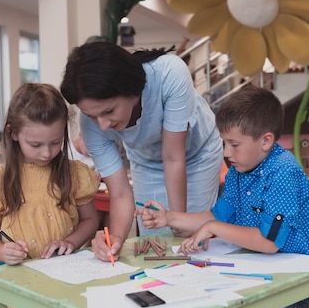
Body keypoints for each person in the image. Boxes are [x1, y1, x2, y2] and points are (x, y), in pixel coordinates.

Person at [136, 85, 309, 308]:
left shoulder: (283, 172)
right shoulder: (239, 170)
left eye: (234, 144)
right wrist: (169, 217)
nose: (226, 153)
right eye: (224, 143)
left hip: (291, 290)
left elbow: (269, 243)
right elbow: (217, 216)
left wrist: (212, 228)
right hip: (256, 274)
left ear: (266, 141)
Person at [60, 41, 223, 260]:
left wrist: (178, 220)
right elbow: (118, 192)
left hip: (197, 154)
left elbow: (173, 158)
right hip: (146, 161)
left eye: (109, 111)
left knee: (190, 238)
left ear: (132, 91)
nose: (102, 125)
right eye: (91, 115)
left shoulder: (169, 74)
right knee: (154, 243)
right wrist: (115, 239)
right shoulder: (91, 126)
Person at [0, 83, 100, 308]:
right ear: (13, 133)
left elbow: (90, 220)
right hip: (28, 294)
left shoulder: (74, 173)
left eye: (55, 142)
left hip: (73, 280)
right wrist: (3, 252)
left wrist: (70, 241)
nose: (47, 153)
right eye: (36, 144)